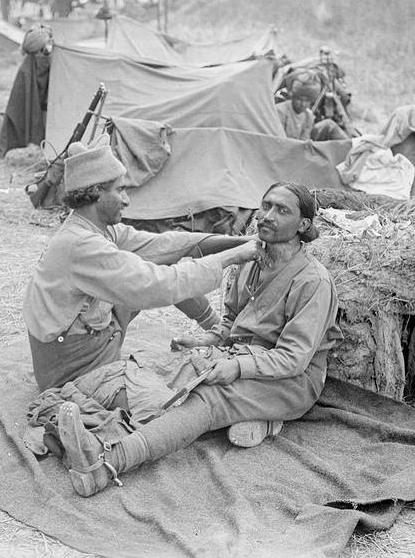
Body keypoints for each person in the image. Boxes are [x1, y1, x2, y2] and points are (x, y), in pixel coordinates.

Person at [53, 182, 342, 497]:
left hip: (292, 381)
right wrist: (206, 340)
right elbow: (232, 324)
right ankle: (77, 430)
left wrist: (237, 367)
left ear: (303, 225)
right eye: (266, 205)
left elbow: (294, 358)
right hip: (235, 356)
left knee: (204, 398)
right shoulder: (250, 261)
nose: (267, 216)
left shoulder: (313, 281)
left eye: (281, 210)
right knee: (144, 369)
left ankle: (107, 463)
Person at [22, 141, 261, 392]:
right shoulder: (83, 245)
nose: (126, 200)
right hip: (72, 369)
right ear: (96, 193)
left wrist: (240, 242)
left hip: (87, 343)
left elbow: (166, 245)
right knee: (160, 400)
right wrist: (232, 257)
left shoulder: (95, 227)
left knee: (170, 257)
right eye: (120, 190)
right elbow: (159, 284)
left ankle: (216, 333)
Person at [275, 73, 349, 142]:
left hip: (299, 149)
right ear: (292, 96)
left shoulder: (308, 116)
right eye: (299, 99)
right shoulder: (281, 111)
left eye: (307, 101)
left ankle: (352, 149)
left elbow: (304, 139)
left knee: (329, 124)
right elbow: (279, 139)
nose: (303, 104)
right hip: (284, 148)